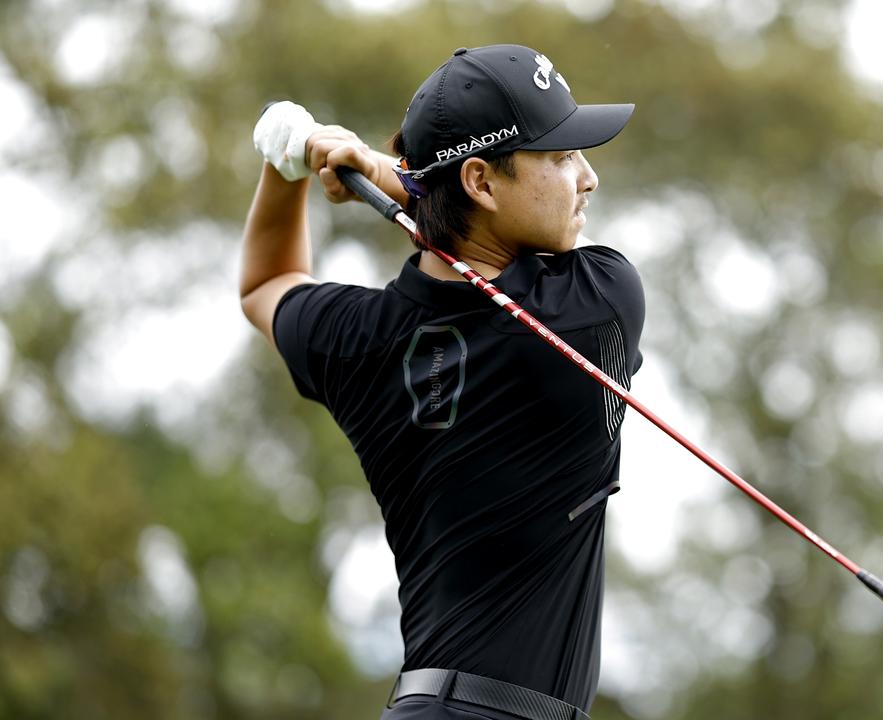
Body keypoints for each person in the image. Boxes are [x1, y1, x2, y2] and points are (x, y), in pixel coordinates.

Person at [240, 44, 643, 720]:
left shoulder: (359, 336)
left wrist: (286, 168)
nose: (588, 178)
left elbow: (265, 284)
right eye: (561, 156)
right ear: (483, 183)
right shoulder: (591, 307)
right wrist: (386, 171)